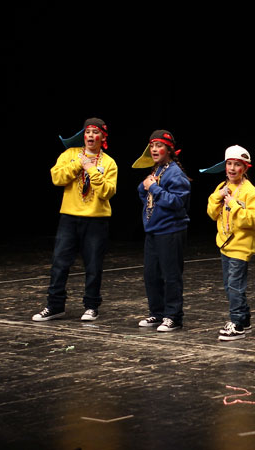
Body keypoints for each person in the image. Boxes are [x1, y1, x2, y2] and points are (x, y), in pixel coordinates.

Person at [32, 118, 118, 322]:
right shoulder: (70, 154)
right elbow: (56, 178)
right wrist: (79, 163)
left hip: (96, 220)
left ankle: (91, 306)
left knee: (93, 265)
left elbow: (107, 192)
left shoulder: (109, 162)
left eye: (95, 132)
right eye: (87, 132)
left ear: (103, 137)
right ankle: (55, 305)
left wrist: (91, 170)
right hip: (69, 217)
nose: (90, 136)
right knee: (60, 263)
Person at [204, 145, 255, 341]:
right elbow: (212, 214)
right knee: (230, 285)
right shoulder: (223, 187)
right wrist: (217, 197)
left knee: (236, 285)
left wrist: (234, 205)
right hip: (225, 243)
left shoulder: (251, 192)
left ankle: (237, 323)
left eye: (237, 165)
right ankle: (244, 319)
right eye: (229, 164)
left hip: (241, 245)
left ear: (245, 168)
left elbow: (250, 220)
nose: (232, 168)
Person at [134, 130, 190, 332]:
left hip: (170, 230)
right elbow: (149, 198)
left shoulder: (175, 172)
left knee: (171, 274)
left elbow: (177, 202)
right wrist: (145, 188)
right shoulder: (157, 170)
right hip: (154, 230)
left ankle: (173, 316)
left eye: (159, 146)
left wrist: (153, 188)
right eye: (152, 146)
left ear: (169, 149)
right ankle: (156, 313)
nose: (155, 149)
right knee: (151, 275)